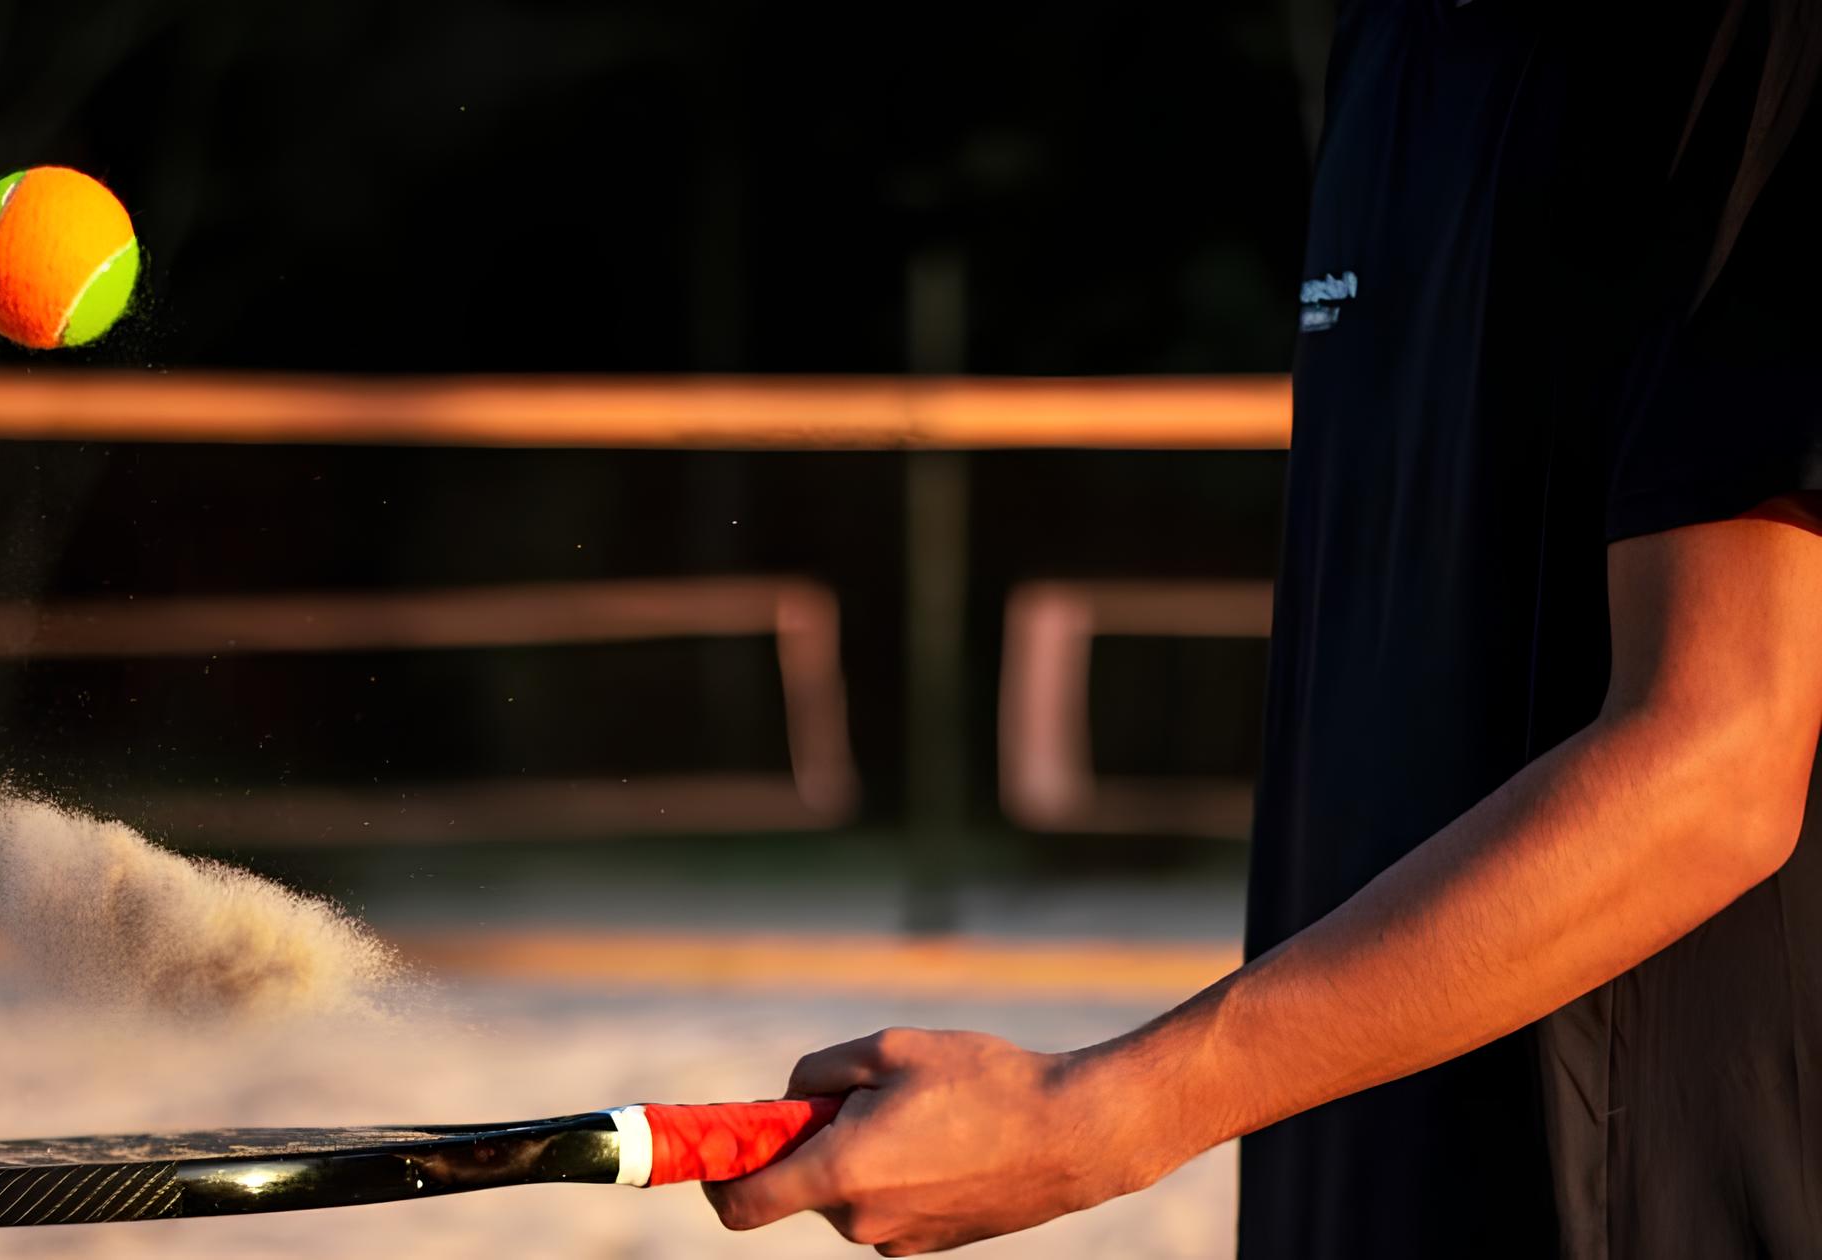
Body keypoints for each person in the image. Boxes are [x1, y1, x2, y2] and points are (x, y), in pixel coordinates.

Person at [706, 4, 1822, 1256]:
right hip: (1341, 1183)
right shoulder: (1386, 40)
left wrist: (1101, 1112)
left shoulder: (1753, 43)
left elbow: (1718, 757)